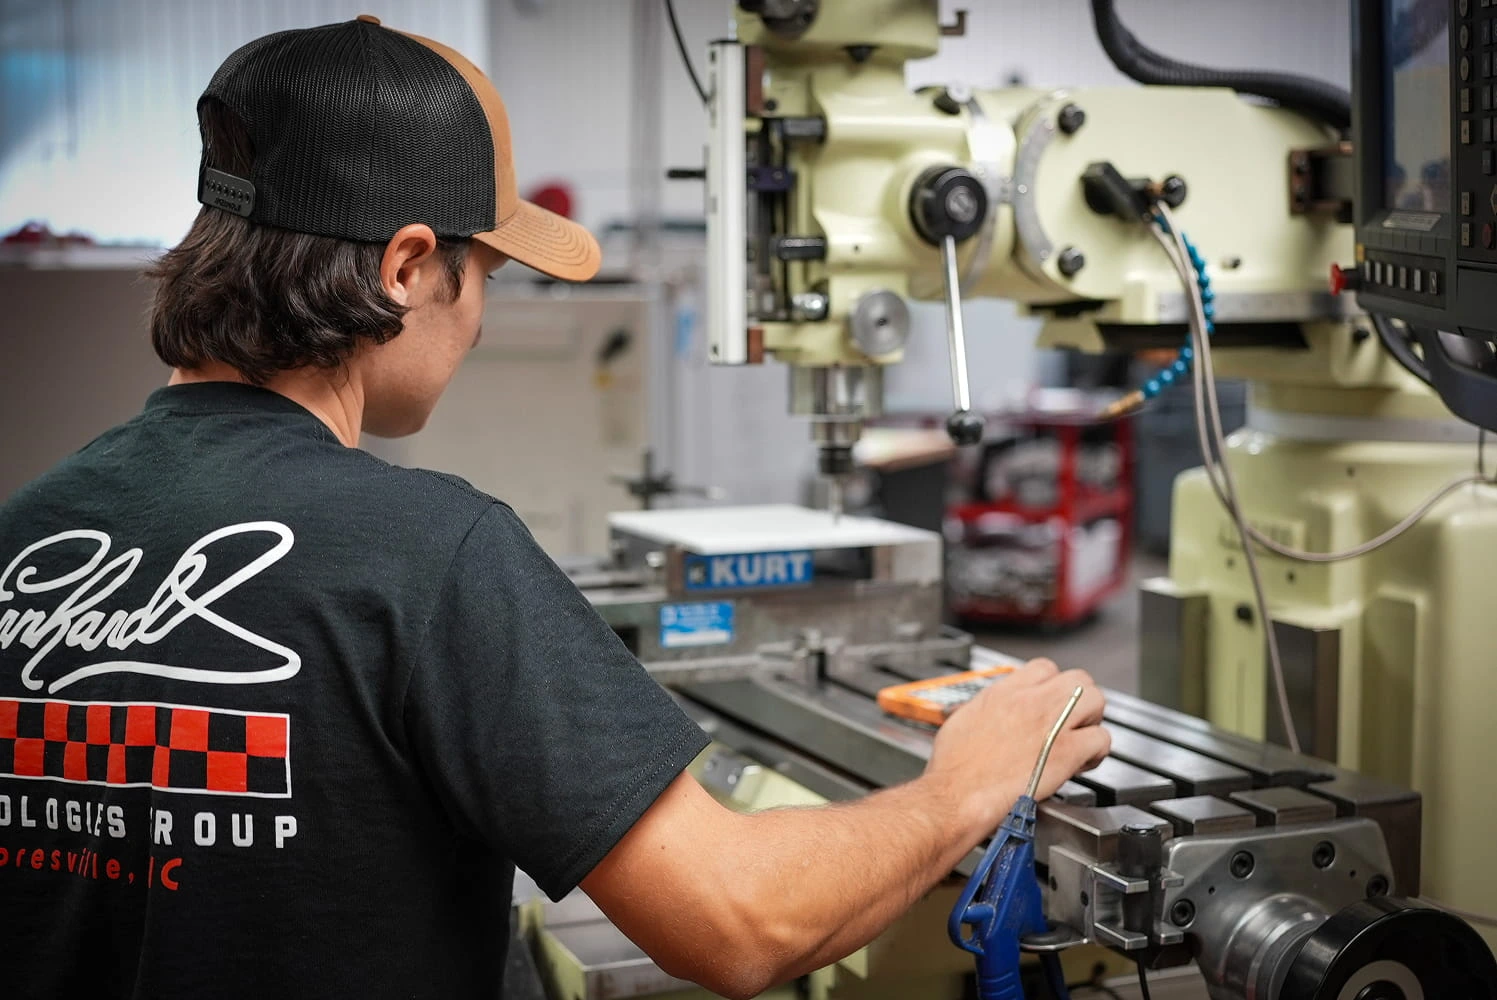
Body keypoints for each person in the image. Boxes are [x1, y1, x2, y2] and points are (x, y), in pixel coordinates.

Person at [0, 16, 1110, 1000]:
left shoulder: (25, 531)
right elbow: (738, 922)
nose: (479, 318)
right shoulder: (431, 553)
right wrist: (962, 789)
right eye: (484, 271)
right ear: (406, 267)